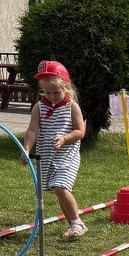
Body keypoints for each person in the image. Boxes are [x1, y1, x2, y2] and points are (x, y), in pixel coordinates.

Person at [21, 60, 87, 241]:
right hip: (47, 157)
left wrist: (65, 138)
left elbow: (80, 131)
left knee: (60, 187)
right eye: (47, 92)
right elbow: (32, 130)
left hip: (67, 156)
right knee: (58, 191)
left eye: (56, 92)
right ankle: (73, 225)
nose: (52, 96)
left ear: (66, 87)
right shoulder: (39, 107)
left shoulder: (72, 107)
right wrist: (26, 148)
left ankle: (78, 223)